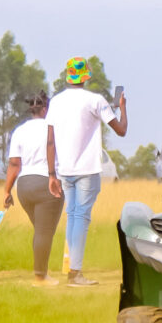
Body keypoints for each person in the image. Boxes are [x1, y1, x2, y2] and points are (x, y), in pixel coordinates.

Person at [46, 57, 128, 287]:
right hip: (88, 169)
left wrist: (52, 174)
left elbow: (50, 141)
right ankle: (75, 273)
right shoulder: (96, 100)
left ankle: (73, 268)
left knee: (72, 217)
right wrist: (122, 108)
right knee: (81, 218)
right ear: (85, 76)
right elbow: (121, 130)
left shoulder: (56, 101)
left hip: (65, 170)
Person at [4, 91, 63, 286]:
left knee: (40, 230)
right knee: (44, 232)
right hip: (46, 183)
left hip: (24, 186)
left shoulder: (19, 131)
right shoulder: (54, 128)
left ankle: (42, 271)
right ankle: (40, 276)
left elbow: (14, 164)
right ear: (45, 109)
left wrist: (6, 191)